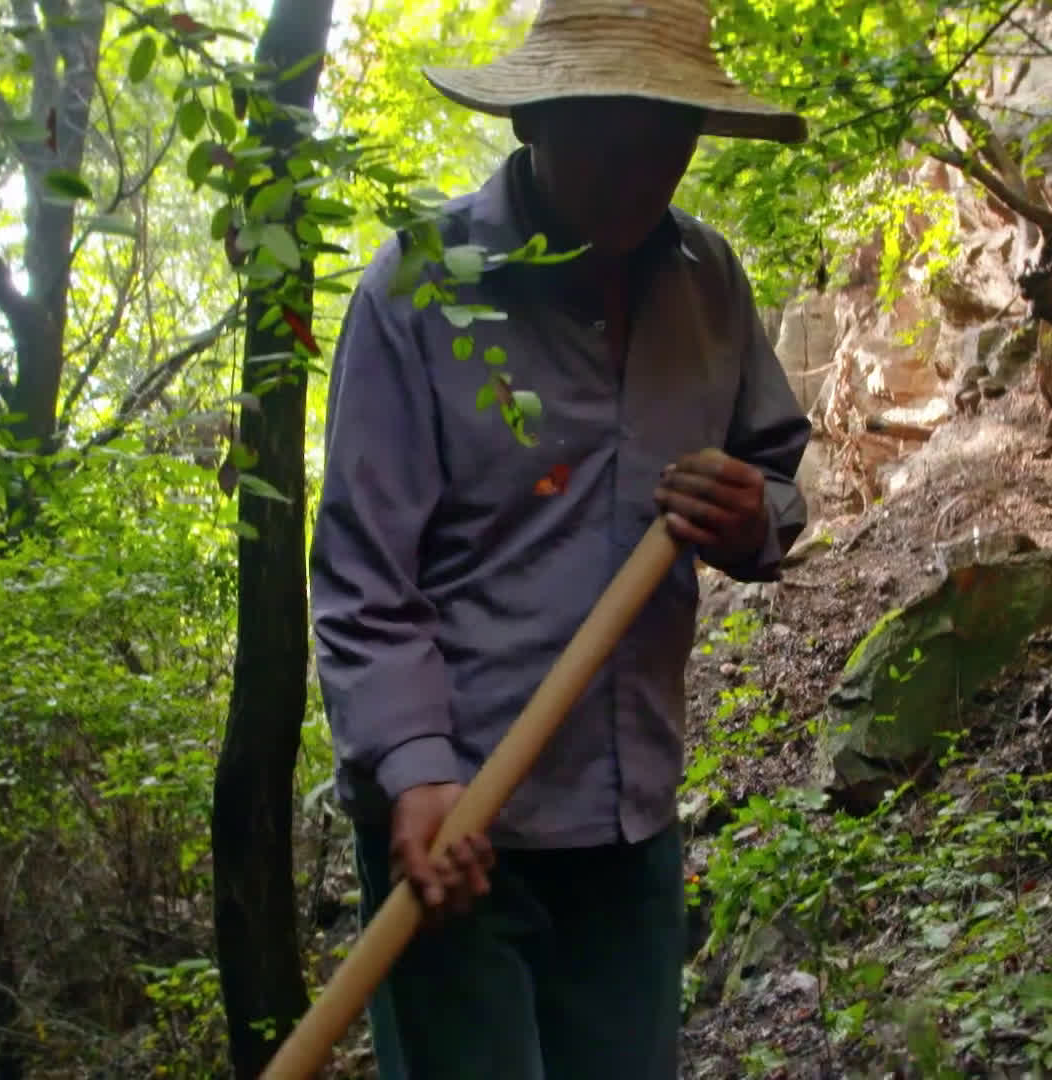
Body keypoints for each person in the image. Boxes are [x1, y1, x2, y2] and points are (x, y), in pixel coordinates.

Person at [309, 1, 811, 1076]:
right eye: (608, 131)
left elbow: (772, 476)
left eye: (668, 132)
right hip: (457, 828)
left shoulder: (709, 281)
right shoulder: (420, 289)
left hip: (629, 832)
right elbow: (363, 579)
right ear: (535, 117)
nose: (642, 167)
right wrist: (414, 771)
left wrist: (752, 518)